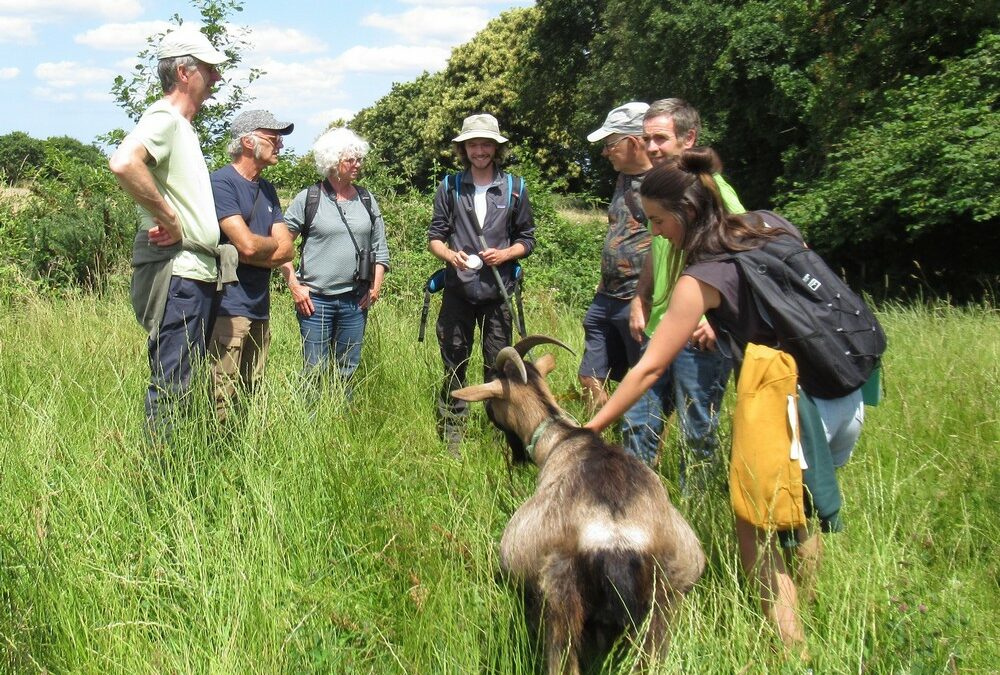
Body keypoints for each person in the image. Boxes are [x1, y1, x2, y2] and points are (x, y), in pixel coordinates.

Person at [585, 148, 867, 656]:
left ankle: (791, 652)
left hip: (789, 404)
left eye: (658, 221)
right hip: (844, 392)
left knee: (754, 528)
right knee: (797, 514)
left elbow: (649, 366)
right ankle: (815, 611)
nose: (656, 233)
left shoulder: (701, 280)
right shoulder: (768, 224)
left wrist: (593, 426)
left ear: (687, 213)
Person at [109, 26, 234, 441]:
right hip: (179, 273)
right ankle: (160, 480)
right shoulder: (164, 117)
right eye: (209, 69)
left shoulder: (182, 126)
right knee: (172, 384)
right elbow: (125, 163)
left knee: (182, 380)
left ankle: (173, 467)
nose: (216, 79)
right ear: (184, 72)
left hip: (195, 272)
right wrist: (169, 217)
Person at [626, 98, 746, 478]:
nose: (651, 148)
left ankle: (692, 522)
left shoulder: (716, 193)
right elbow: (655, 248)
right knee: (637, 424)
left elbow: (746, 261)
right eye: (646, 139)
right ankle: (633, 512)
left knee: (697, 436)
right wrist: (640, 298)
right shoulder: (661, 190)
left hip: (700, 341)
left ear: (689, 137)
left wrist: (717, 317)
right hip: (659, 330)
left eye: (660, 138)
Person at [428, 113, 536, 456]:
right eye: (473, 144)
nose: (479, 150)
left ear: (496, 148)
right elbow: (435, 237)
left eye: (486, 144)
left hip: (498, 294)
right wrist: (450, 256)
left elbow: (528, 240)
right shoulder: (450, 186)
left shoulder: (515, 188)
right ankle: (453, 437)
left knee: (498, 367)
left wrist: (505, 255)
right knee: (455, 362)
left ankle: (500, 438)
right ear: (464, 148)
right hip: (458, 291)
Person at [280, 127, 389, 400]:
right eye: (350, 160)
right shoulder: (309, 198)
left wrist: (375, 287)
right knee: (314, 369)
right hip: (315, 301)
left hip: (355, 300)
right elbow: (280, 247)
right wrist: (295, 286)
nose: (357, 165)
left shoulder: (366, 199)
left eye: (359, 159)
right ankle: (313, 425)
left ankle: (341, 423)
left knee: (347, 369)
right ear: (332, 162)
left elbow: (380, 248)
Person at [578, 101, 656, 459]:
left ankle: (636, 457)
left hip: (639, 302)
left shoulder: (663, 183)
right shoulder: (624, 177)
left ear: (635, 141)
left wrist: (646, 297)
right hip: (606, 296)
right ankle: (599, 449)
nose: (606, 152)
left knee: (640, 387)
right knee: (589, 376)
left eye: (611, 144)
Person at [208, 110, 295, 421]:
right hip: (228, 309)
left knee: (251, 390)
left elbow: (287, 251)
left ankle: (241, 457)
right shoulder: (221, 183)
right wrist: (255, 247)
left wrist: (253, 250)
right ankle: (214, 458)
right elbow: (245, 244)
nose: (280, 145)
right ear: (247, 141)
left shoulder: (267, 189)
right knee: (221, 393)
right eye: (273, 139)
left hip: (260, 308)